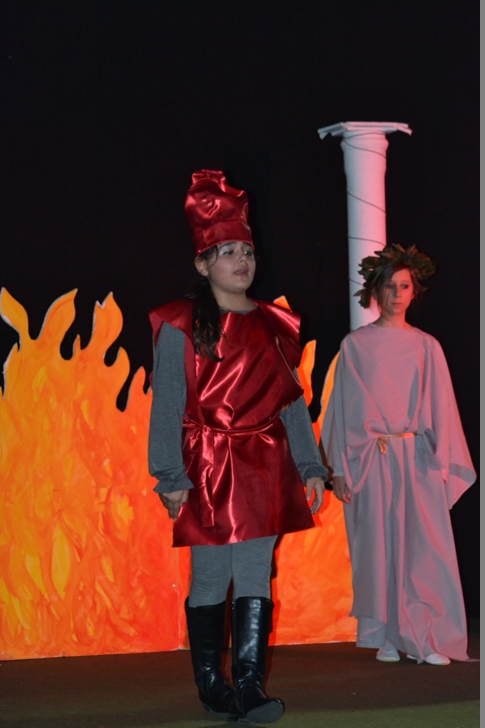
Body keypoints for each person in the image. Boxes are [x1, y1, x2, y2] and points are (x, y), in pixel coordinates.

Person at [148, 170, 327, 723]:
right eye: (227, 252)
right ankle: (211, 685)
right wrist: (170, 475)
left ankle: (248, 687)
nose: (241, 260)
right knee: (211, 574)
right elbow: (168, 403)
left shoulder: (273, 323)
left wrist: (310, 465)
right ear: (203, 264)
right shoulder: (182, 324)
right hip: (207, 466)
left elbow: (289, 402)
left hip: (265, 464)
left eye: (246, 251)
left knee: (254, 573)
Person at [321, 243, 476, 666]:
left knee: (425, 550)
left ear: (414, 291)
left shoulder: (427, 346)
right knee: (378, 549)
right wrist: (339, 469)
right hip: (373, 460)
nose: (396, 294)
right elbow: (342, 411)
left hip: (417, 459)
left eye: (404, 286)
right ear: (375, 291)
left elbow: (442, 407)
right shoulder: (355, 345)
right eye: (388, 286)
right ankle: (386, 634)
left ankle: (427, 637)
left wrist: (442, 462)